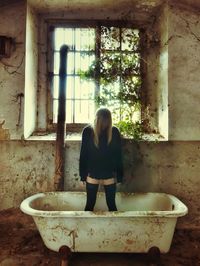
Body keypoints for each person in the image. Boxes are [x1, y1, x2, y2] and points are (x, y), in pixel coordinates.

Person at [79, 107, 123, 211]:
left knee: (93, 205)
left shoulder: (113, 131)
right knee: (108, 205)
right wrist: (120, 176)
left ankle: (88, 227)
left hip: (99, 173)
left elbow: (83, 155)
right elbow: (118, 156)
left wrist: (82, 175)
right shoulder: (89, 131)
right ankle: (113, 227)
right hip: (102, 173)